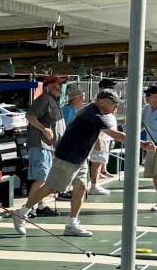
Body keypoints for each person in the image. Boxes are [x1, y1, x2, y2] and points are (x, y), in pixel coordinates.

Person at [11, 89, 126, 236]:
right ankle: (21, 212)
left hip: (80, 157)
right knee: (51, 187)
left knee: (81, 187)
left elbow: (85, 125)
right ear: (102, 102)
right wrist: (141, 143)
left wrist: (96, 139)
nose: (116, 106)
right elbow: (116, 135)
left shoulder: (91, 110)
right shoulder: (93, 114)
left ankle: (72, 224)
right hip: (67, 157)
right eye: (114, 103)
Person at [24, 75, 66, 216]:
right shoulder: (44, 99)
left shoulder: (54, 101)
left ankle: (41, 206)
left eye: (60, 84)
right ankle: (28, 208)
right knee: (41, 177)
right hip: (40, 144)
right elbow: (30, 116)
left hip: (48, 146)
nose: (60, 86)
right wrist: (44, 129)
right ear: (48, 86)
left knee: (45, 177)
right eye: (57, 84)